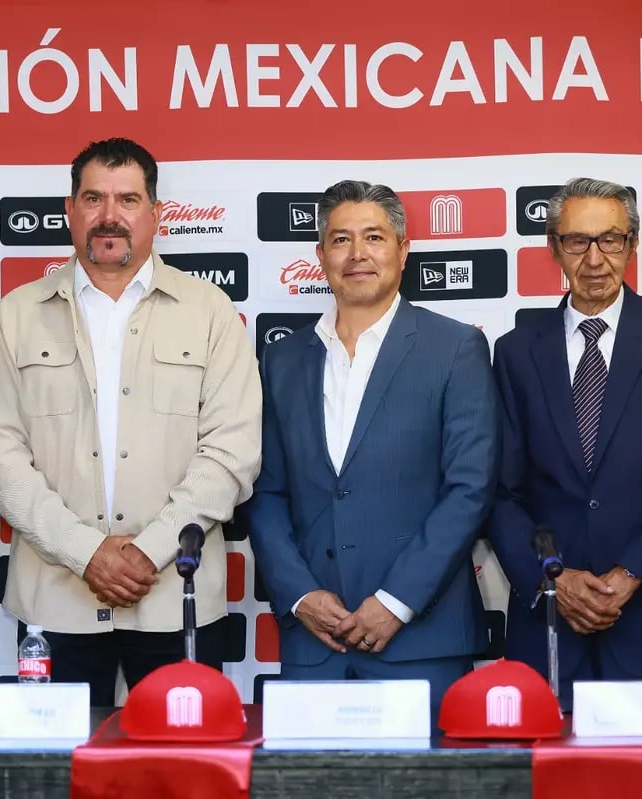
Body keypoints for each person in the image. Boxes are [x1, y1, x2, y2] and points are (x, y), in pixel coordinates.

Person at [0, 138, 261, 706]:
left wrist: (146, 550)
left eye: (128, 199)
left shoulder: (211, 312)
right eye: (93, 198)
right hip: (56, 598)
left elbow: (232, 453)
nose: (110, 216)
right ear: (69, 210)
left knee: (183, 777)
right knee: (59, 778)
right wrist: (87, 552)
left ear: (156, 214)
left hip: (175, 593)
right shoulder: (16, 315)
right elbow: (1, 459)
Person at [242, 179, 500, 714]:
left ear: (403, 251)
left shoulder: (455, 348)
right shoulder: (282, 361)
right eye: (340, 240)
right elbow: (265, 494)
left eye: (374, 238)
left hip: (421, 640)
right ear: (320, 255)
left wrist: (395, 602)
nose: (357, 254)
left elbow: (469, 490)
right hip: (315, 642)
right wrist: (300, 596)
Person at [487, 177, 642, 709]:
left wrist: (630, 574)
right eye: (578, 241)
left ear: (633, 244)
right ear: (553, 247)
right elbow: (503, 493)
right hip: (552, 630)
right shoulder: (514, 351)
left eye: (611, 239)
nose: (595, 258)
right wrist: (553, 579)